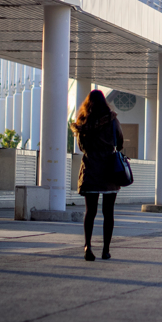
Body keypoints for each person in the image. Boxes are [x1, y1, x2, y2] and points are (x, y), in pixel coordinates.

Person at [71, 89, 124, 261]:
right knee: (108, 212)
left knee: (90, 211)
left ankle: (87, 246)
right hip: (110, 169)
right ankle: (106, 249)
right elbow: (120, 141)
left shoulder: (83, 121)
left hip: (91, 168)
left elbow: (81, 147)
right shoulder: (112, 120)